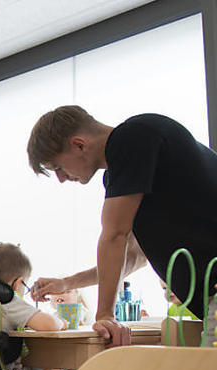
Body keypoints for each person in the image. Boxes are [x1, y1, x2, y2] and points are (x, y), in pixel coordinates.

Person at [26, 105, 217, 348]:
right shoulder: (132, 161)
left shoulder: (132, 139)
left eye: (58, 168)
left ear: (79, 145)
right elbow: (133, 256)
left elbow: (115, 235)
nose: (61, 179)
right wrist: (67, 284)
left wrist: (105, 315)